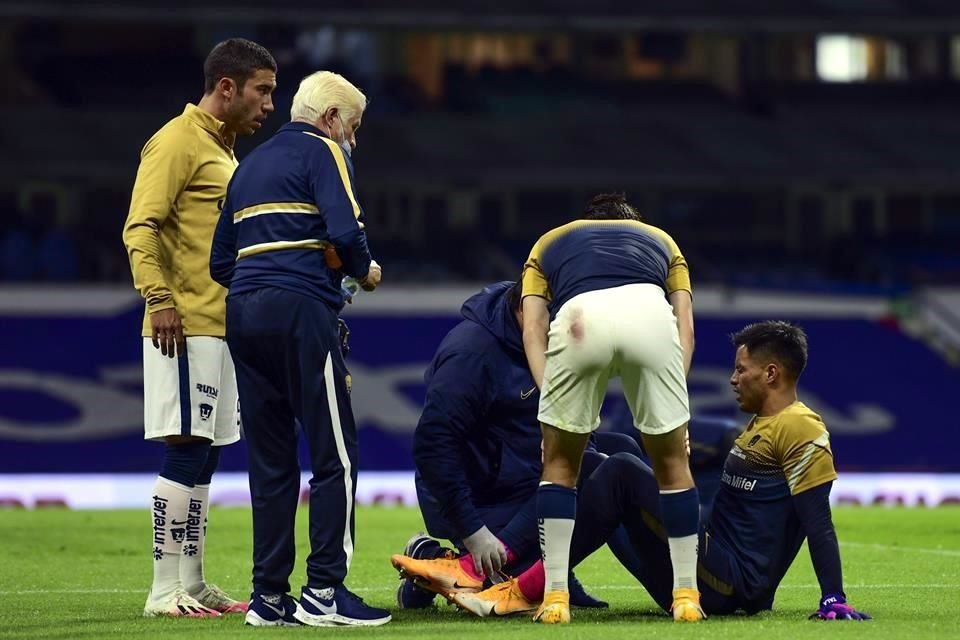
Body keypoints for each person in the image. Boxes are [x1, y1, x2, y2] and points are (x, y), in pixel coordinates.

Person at [452, 321, 871, 622]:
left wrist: (832, 597)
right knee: (601, 458)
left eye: (742, 369)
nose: (733, 378)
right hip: (711, 562)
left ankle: (522, 588)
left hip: (731, 586)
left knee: (620, 470)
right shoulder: (763, 423)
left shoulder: (801, 426)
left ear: (772, 373)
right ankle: (511, 575)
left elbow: (817, 520)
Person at [209, 70, 388, 627]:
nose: (353, 140)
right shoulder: (324, 151)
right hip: (298, 312)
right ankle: (325, 593)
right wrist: (365, 271)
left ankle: (268, 598)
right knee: (336, 453)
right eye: (352, 127)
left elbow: (220, 263)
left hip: (242, 313)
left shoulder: (247, 166)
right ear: (333, 119)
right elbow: (344, 232)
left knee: (270, 463)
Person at [122, 38, 277, 619]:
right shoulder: (176, 140)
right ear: (228, 87)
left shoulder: (225, 152)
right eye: (262, 91)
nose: (268, 104)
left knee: (206, 455)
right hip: (183, 325)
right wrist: (159, 300)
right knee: (187, 451)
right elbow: (141, 227)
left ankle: (192, 581)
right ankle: (163, 591)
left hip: (220, 325)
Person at [519, 192, 702, 624]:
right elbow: (686, 326)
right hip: (650, 316)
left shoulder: (549, 242)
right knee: (673, 465)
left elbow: (533, 329)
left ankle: (557, 599)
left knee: (562, 465)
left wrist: (552, 407)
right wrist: (678, 404)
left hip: (583, 317)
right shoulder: (663, 240)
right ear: (632, 222)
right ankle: (687, 597)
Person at [389, 281, 629, 609]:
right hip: (474, 494)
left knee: (619, 457)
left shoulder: (557, 336)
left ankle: (543, 570)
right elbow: (433, 445)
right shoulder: (472, 354)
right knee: (593, 471)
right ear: (524, 309)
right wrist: (473, 530)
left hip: (522, 479)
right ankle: (444, 559)